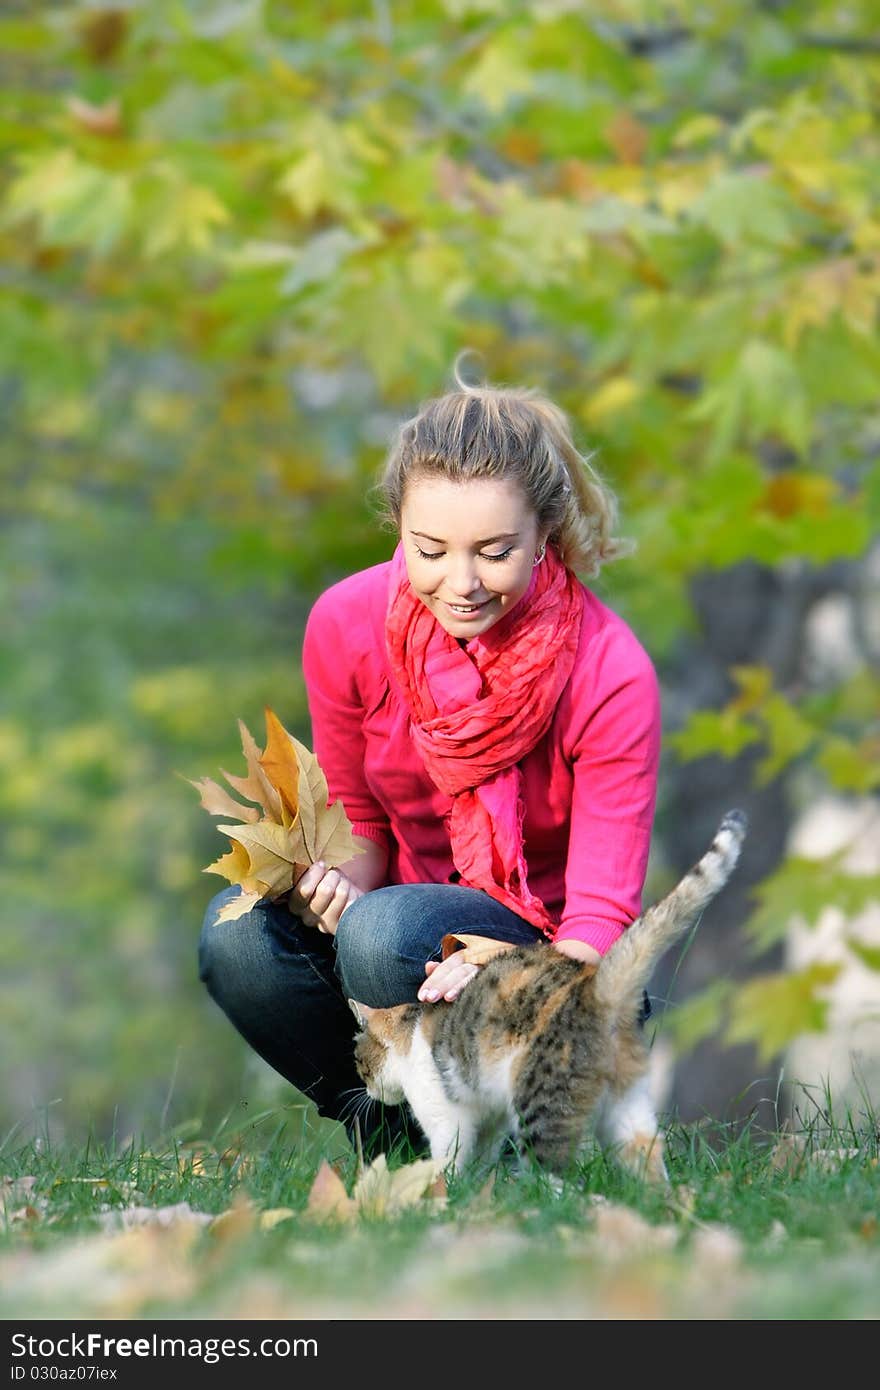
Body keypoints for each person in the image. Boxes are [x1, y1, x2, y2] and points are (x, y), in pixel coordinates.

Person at [198, 370, 661, 1155]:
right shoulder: (346, 624)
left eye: (495, 552)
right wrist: (339, 880)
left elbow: (600, 923)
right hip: (404, 922)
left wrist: (516, 957)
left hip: (555, 958)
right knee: (237, 938)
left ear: (545, 533)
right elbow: (363, 818)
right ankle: (400, 1142)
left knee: (384, 934)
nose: (462, 582)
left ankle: (517, 1139)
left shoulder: (610, 672)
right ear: (398, 528)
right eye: (431, 550)